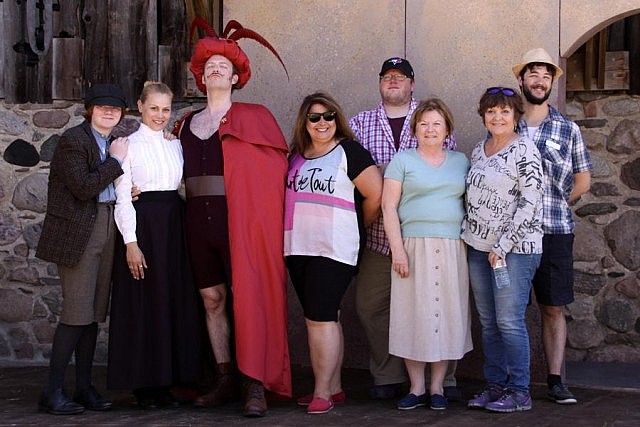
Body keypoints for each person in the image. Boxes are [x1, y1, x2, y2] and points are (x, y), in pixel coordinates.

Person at [173, 20, 291, 417]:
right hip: (198, 223)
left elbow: (273, 176)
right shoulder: (185, 124)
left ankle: (252, 381)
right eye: (209, 65)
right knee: (212, 299)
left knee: (248, 297)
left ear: (237, 75)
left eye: (224, 64)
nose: (216, 69)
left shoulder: (255, 117)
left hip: (240, 223)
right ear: (201, 76)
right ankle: (224, 377)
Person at [348, 57, 460, 401]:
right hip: (379, 237)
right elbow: (347, 167)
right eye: (387, 76)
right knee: (370, 305)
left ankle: (444, 381)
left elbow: (444, 170)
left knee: (442, 305)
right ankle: (389, 373)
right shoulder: (359, 123)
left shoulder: (430, 118)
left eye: (401, 76)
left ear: (412, 83)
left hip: (430, 234)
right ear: (380, 83)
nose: (393, 81)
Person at [285, 92, 383, 414]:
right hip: (298, 246)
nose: (322, 122)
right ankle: (336, 387)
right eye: (314, 117)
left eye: (328, 116)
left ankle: (322, 391)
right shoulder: (296, 155)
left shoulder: (348, 152)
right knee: (325, 317)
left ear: (337, 119)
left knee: (320, 319)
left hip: (334, 249)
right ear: (305, 121)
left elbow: (375, 193)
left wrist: (357, 225)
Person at [36, 84, 129, 415]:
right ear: (90, 110)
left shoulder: (110, 143)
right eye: (101, 106)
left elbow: (106, 187)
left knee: (92, 316)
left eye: (115, 108)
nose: (108, 111)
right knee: (76, 314)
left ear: (122, 113)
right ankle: (52, 391)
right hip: (79, 234)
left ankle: (84, 388)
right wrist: (117, 162)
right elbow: (84, 186)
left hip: (106, 227)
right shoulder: (74, 140)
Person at [107, 81, 201, 409]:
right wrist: (131, 243)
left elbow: (182, 187)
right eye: (153, 108)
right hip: (143, 227)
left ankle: (167, 383)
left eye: (165, 109)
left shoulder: (175, 145)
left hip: (174, 226)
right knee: (144, 304)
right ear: (140, 107)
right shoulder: (126, 145)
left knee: (171, 301)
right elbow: (122, 197)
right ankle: (143, 386)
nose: (160, 115)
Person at [513, 48, 592, 405]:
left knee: (553, 307)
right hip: (511, 236)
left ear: (552, 83)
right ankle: (511, 382)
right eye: (533, 73)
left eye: (546, 75)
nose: (539, 80)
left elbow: (583, 180)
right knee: (509, 310)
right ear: (522, 79)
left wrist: (558, 204)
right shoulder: (505, 124)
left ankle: (556, 380)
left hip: (554, 231)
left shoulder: (567, 127)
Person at [383, 99, 472, 411]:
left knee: (448, 313)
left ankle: (437, 387)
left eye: (437, 123)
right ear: (415, 129)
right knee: (413, 314)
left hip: (452, 246)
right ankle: (417, 387)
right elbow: (388, 207)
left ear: (447, 129)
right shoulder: (402, 161)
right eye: (424, 124)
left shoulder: (462, 161)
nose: (430, 129)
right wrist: (398, 251)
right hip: (413, 246)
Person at [463, 86, 544, 413]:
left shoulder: (525, 150)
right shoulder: (478, 151)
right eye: (492, 111)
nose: (498, 117)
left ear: (516, 116)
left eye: (505, 111)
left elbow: (530, 202)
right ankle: (495, 385)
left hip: (515, 252)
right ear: (484, 115)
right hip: (479, 251)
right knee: (488, 321)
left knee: (509, 320)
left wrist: (504, 245)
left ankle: (519, 391)